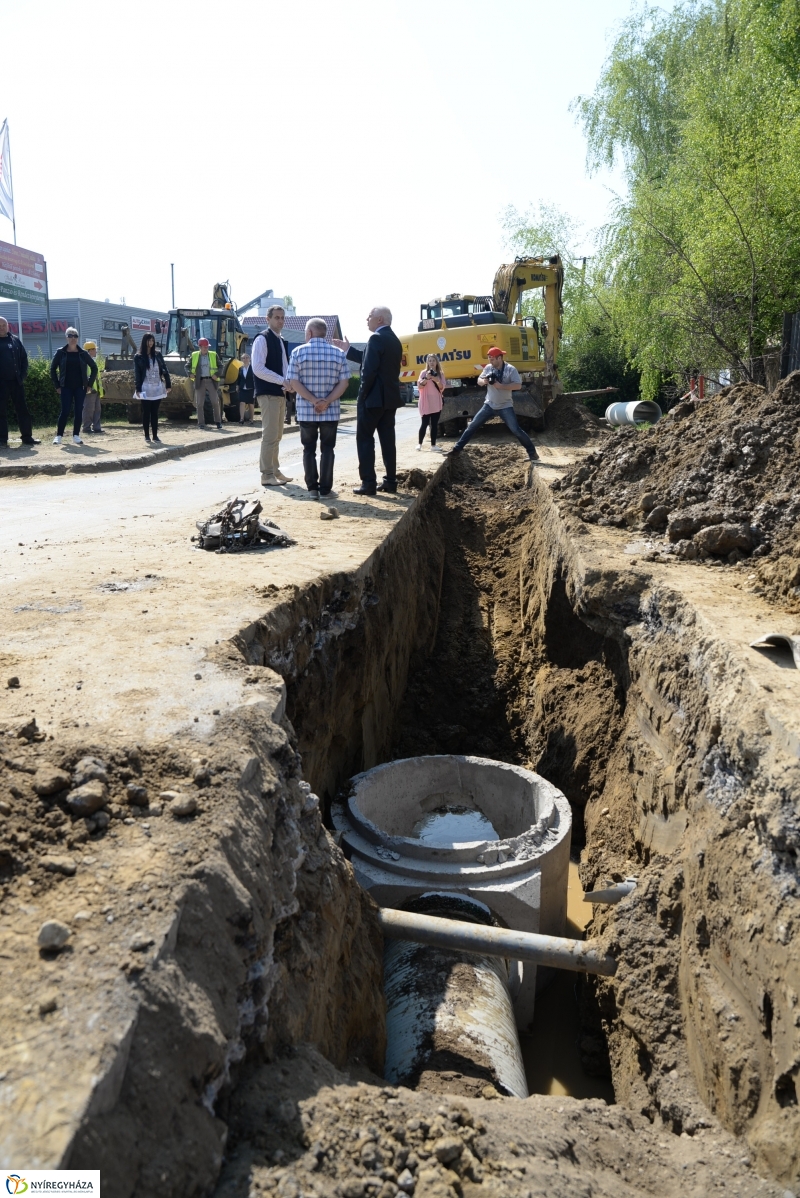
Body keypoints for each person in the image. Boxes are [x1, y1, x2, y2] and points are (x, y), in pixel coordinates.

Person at [332, 305, 402, 495]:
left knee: (364, 439)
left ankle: (368, 483)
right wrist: (348, 350)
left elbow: (368, 371)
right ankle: (391, 481)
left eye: (369, 316)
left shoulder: (375, 338)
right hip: (390, 399)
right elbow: (370, 358)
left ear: (380, 319)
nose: (366, 319)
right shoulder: (394, 339)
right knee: (388, 440)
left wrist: (361, 396)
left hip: (372, 399)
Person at [285, 318, 351, 498]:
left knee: (308, 449)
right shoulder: (338, 353)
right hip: (330, 411)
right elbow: (344, 383)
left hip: (306, 411)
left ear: (309, 333)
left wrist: (314, 400)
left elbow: (294, 382)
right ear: (325, 334)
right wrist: (326, 401)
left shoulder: (297, 352)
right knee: (328, 449)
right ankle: (326, 490)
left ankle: (312, 489)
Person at [447, 346, 539, 461]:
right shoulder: (488, 368)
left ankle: (532, 453)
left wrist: (501, 386)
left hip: (505, 406)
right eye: (489, 358)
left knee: (516, 430)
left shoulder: (510, 369)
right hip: (489, 405)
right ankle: (456, 450)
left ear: (499, 358)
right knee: (472, 426)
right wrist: (484, 381)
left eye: (492, 359)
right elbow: (479, 381)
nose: (490, 361)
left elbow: (518, 385)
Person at [252, 304, 294, 486]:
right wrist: (281, 380)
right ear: (267, 319)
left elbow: (284, 366)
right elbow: (257, 368)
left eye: (282, 318)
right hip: (268, 393)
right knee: (270, 436)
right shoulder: (262, 339)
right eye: (277, 317)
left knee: (277, 435)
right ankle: (266, 475)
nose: (280, 321)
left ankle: (275, 471)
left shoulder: (280, 340)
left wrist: (288, 383)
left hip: (279, 393)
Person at [49, 327, 98, 446]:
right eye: (70, 335)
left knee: (78, 410)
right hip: (65, 387)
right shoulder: (60, 352)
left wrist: (89, 384)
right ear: (66, 337)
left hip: (80, 387)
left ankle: (76, 435)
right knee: (65, 411)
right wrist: (57, 385)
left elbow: (94, 367)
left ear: (77, 338)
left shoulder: (83, 353)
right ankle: (59, 436)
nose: (73, 338)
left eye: (75, 336)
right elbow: (52, 368)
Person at [0, 317, 39, 448]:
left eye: (3, 325)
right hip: (1, 384)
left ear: (8, 326)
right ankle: (2, 440)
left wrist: (22, 376)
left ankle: (27, 437)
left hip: (16, 382)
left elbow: (24, 359)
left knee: (22, 410)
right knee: (1, 412)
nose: (1, 328)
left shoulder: (15, 340)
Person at [134, 332, 172, 444]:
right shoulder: (138, 357)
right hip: (145, 388)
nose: (151, 343)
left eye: (152, 340)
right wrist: (138, 388)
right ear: (144, 341)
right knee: (146, 412)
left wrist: (168, 384)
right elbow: (137, 373)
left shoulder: (158, 354)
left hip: (157, 387)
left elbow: (164, 369)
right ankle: (147, 435)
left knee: (155, 413)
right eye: (149, 340)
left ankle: (155, 436)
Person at [416, 353, 444, 452]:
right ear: (427, 362)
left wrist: (436, 380)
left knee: (434, 424)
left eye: (433, 360)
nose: (432, 362)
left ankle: (433, 445)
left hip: (436, 401)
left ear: (436, 362)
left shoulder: (440, 373)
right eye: (430, 360)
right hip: (425, 401)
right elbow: (419, 386)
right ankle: (419, 444)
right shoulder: (423, 373)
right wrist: (427, 378)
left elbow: (442, 387)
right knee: (424, 423)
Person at [81, 341, 105, 434]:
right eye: (95, 349)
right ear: (90, 350)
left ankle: (97, 428)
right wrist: (88, 387)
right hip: (89, 390)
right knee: (88, 409)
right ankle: (86, 428)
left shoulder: (92, 361)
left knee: (97, 409)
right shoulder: (85, 363)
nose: (96, 351)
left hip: (95, 390)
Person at [236, 351, 255, 424]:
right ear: (241, 360)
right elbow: (239, 378)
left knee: (251, 404)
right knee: (242, 403)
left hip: (251, 388)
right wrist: (237, 386)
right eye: (243, 358)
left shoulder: (253, 368)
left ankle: (251, 419)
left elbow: (255, 379)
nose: (245, 359)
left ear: (249, 359)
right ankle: (241, 419)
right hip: (242, 388)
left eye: (247, 357)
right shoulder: (240, 368)